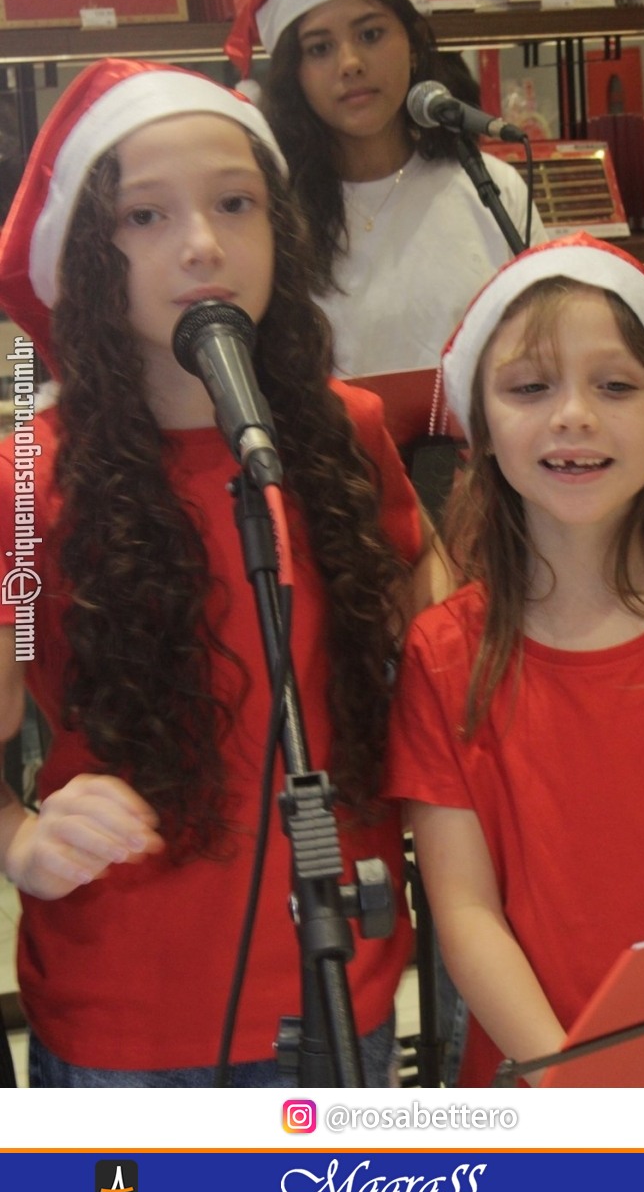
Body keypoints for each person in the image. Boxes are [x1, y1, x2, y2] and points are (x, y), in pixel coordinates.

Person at [0, 56, 446, 1088]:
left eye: (234, 203)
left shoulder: (347, 434)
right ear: (85, 253)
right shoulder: (28, 479)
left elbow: (437, 665)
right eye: (145, 217)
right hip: (126, 1009)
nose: (202, 245)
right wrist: (19, 834)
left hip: (341, 986)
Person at [385, 232, 644, 1087]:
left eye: (615, 385)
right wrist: (575, 1087)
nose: (573, 413)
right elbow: (464, 910)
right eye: (531, 387)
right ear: (486, 431)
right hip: (532, 1081)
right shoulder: (442, 652)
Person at [225, 0, 547, 380]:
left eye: (371, 35)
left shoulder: (492, 188)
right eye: (320, 49)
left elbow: (545, 335)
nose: (351, 64)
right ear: (295, 76)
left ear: (412, 45)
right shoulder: (272, 213)